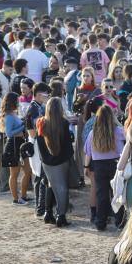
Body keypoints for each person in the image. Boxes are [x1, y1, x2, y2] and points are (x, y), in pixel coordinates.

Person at [84, 105, 126, 231]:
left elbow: (88, 152)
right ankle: (119, 222)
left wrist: (86, 166)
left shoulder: (93, 133)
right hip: (115, 164)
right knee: (116, 194)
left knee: (101, 195)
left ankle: (100, 222)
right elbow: (128, 138)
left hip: (99, 166)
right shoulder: (118, 131)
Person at [35, 97, 73, 227]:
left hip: (46, 161)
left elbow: (39, 143)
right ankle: (61, 216)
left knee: (50, 185)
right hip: (61, 160)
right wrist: (67, 158)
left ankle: (48, 213)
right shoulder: (63, 123)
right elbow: (68, 145)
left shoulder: (41, 122)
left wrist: (44, 159)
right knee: (62, 188)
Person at [0, 91, 30, 204]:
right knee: (14, 174)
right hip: (13, 145)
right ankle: (16, 199)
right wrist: (22, 127)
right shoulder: (8, 115)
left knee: (28, 171)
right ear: (12, 101)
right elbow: (9, 133)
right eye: (17, 100)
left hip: (20, 144)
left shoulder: (13, 113)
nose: (19, 101)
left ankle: (23, 195)